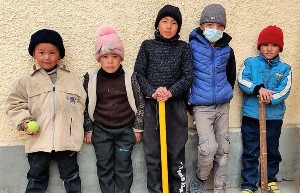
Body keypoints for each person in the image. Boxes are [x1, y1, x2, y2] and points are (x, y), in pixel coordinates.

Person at [5, 29, 87, 193]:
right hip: (38, 141)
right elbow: (14, 104)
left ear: (60, 55)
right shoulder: (27, 80)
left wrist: (75, 127)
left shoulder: (71, 79)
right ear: (33, 54)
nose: (47, 57)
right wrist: (24, 122)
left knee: (71, 177)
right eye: (41, 52)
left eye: (52, 52)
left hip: (66, 141)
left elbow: (81, 104)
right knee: (36, 179)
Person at [134, 4, 194, 193]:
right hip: (152, 107)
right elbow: (138, 74)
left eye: (174, 23)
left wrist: (171, 91)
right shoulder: (147, 46)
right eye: (164, 21)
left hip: (175, 107)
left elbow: (188, 76)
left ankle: (179, 190)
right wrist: (153, 91)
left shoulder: (183, 48)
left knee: (176, 153)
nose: (169, 26)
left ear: (178, 27)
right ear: (157, 25)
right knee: (153, 155)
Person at [83, 25, 144, 193]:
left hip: (125, 130)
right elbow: (85, 104)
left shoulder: (130, 76)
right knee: (104, 166)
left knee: (124, 167)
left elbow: (140, 102)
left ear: (121, 58)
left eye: (115, 56)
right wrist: (88, 129)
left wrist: (138, 127)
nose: (110, 61)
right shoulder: (91, 78)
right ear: (98, 59)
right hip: (101, 130)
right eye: (105, 56)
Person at [187, 4, 236, 193]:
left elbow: (230, 74)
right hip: (201, 106)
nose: (214, 30)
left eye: (218, 26)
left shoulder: (227, 49)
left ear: (223, 28)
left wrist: (225, 93)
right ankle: (200, 177)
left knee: (223, 148)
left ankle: (219, 187)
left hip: (223, 105)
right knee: (208, 148)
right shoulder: (191, 47)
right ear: (202, 26)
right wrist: (189, 102)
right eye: (209, 25)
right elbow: (187, 75)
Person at [238, 25, 292, 193]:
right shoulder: (250, 63)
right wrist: (257, 89)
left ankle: (269, 180)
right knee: (251, 150)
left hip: (274, 117)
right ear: (259, 46)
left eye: (274, 45)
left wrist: (271, 98)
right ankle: (249, 184)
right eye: (265, 44)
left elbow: (285, 89)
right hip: (251, 116)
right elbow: (242, 80)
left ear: (280, 48)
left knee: (271, 150)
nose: (269, 49)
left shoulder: (285, 68)